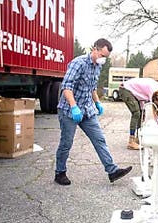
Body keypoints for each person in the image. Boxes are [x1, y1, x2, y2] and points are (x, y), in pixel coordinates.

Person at [55, 38, 132, 185]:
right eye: (102, 56)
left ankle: (112, 170)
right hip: (69, 110)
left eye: (106, 58)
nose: (104, 60)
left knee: (99, 139)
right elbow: (66, 87)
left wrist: (97, 102)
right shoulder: (79, 63)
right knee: (66, 143)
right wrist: (73, 106)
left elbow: (92, 87)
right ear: (95, 49)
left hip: (87, 110)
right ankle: (60, 172)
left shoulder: (98, 66)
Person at [119, 77, 158, 150]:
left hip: (131, 92)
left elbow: (140, 97)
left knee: (140, 114)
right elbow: (154, 107)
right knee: (136, 113)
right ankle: (131, 142)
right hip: (125, 90)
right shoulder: (154, 89)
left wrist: (143, 111)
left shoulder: (153, 86)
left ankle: (138, 138)